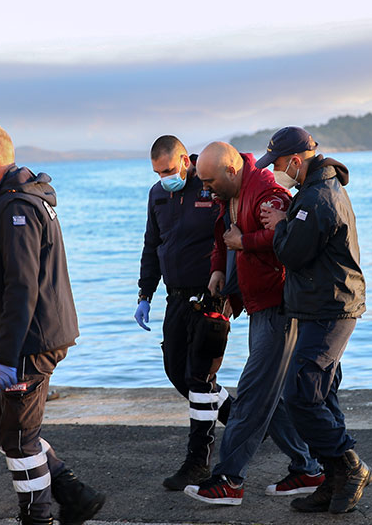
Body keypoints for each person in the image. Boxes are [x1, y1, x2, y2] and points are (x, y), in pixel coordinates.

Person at [0, 122, 104, 525]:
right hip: (16, 341)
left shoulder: (18, 208)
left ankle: (38, 517)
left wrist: (6, 356)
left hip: (30, 341)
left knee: (18, 439)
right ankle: (73, 491)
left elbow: (22, 288)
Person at [183, 142, 323, 506]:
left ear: (231, 170)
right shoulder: (229, 191)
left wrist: (244, 242)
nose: (206, 189)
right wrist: (218, 269)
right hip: (258, 304)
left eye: (210, 181)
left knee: (253, 394)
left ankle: (229, 479)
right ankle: (308, 468)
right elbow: (222, 233)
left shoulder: (267, 193)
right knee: (271, 397)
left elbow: (287, 241)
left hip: (280, 306)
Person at [257, 126, 372, 515]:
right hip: (323, 303)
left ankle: (349, 466)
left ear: (294, 160)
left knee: (301, 394)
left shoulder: (317, 198)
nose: (274, 171)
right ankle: (333, 478)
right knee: (322, 393)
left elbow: (291, 253)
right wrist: (291, 214)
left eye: (276, 163)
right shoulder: (312, 192)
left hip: (330, 307)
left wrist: (280, 224)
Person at [134, 135, 233, 490]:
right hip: (175, 298)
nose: (165, 177)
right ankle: (239, 421)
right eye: (158, 172)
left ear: (184, 160)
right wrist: (145, 292)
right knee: (178, 373)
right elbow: (152, 244)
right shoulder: (158, 194)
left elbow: (229, 237)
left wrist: (231, 286)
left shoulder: (208, 186)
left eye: (169, 170)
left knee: (199, 378)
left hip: (210, 295)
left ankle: (197, 462)